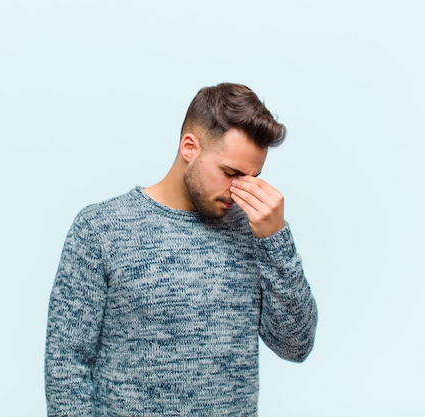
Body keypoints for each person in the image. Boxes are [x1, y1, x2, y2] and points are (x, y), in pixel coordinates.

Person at [45, 82, 318, 416]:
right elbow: (66, 367)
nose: (240, 191)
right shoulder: (100, 229)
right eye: (231, 172)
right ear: (190, 147)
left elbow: (296, 345)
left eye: (253, 177)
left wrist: (276, 240)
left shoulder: (256, 232)